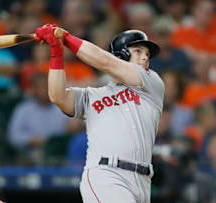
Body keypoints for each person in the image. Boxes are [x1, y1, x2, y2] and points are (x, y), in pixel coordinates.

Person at [35, 24, 164, 203]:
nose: (145, 57)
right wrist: (57, 51)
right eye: (138, 51)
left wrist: (65, 38)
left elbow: (104, 62)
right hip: (106, 175)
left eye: (147, 54)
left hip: (142, 180)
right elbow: (58, 96)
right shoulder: (94, 95)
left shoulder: (152, 83)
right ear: (121, 54)